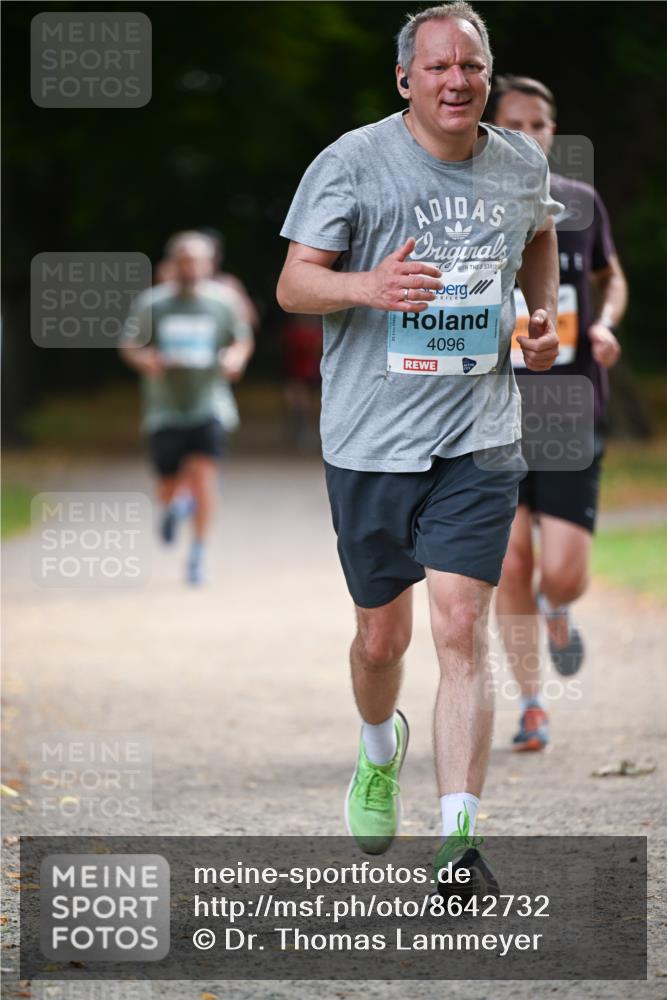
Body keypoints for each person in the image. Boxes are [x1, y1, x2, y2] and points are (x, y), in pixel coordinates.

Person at [277, 3, 560, 881]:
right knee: (378, 641)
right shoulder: (352, 162)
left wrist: (537, 318)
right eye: (437, 67)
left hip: (477, 434)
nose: (455, 81)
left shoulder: (519, 162)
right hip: (369, 438)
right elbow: (293, 284)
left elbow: (540, 231)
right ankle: (376, 745)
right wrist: (368, 285)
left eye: (470, 66)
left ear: (486, 75)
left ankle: (458, 839)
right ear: (406, 79)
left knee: (459, 625)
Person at [490, 76, 628, 751]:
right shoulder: (469, 206)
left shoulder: (580, 203)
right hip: (492, 412)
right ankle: (531, 703)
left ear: (552, 132)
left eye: (538, 124)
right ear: (490, 129)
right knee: (508, 565)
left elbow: (611, 276)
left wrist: (602, 323)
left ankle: (557, 609)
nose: (527, 135)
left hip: (569, 407)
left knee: (562, 571)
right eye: (511, 123)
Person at [120, 231, 254, 584]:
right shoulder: (153, 304)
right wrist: (145, 358)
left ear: (209, 264)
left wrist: (235, 358)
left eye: (197, 260)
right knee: (168, 481)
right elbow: (130, 344)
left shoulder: (223, 301)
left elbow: (241, 338)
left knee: (205, 477)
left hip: (210, 403)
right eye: (184, 259)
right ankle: (170, 505)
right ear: (173, 263)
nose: (190, 266)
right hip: (165, 407)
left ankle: (197, 552)